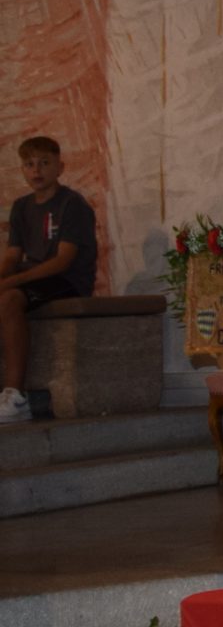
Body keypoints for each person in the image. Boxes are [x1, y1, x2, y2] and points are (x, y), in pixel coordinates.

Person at [0, 136, 99, 424]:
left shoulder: (72, 204)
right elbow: (12, 255)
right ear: (22, 170)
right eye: (29, 164)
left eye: (44, 163)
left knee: (10, 298)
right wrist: (3, 276)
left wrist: (10, 283)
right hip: (34, 277)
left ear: (60, 167)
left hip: (67, 280)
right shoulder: (21, 206)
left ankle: (16, 396)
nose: (36, 170)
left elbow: (62, 261)